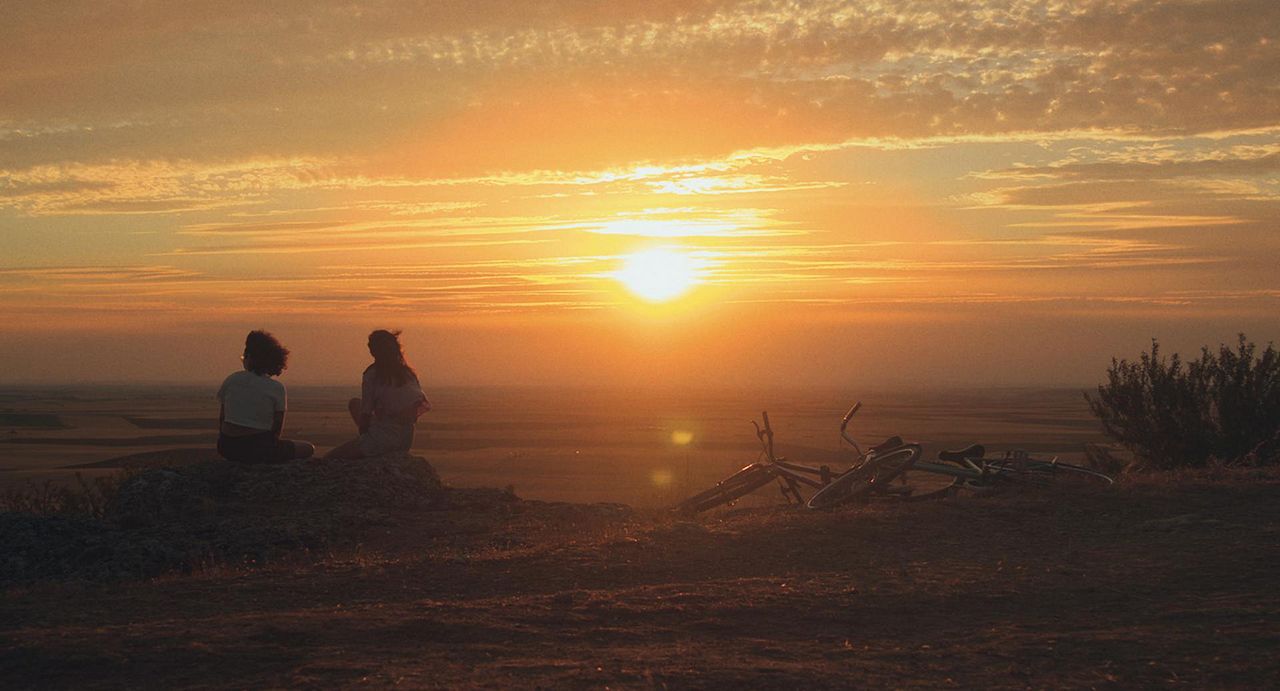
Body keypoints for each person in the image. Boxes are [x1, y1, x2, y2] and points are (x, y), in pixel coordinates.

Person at [326, 329, 431, 459]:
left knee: (330, 458)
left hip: (383, 439)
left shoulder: (372, 374)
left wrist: (365, 440)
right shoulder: (408, 374)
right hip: (405, 440)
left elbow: (365, 414)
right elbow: (415, 411)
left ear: (374, 350)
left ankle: (369, 445)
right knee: (355, 403)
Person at [216, 330, 315, 463]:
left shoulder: (231, 380)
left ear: (249, 358)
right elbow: (277, 427)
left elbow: (223, 417)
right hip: (260, 448)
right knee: (308, 449)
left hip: (227, 446)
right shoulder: (276, 388)